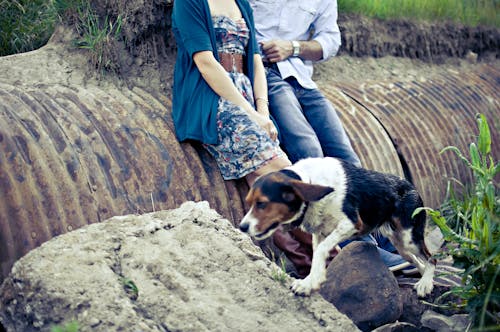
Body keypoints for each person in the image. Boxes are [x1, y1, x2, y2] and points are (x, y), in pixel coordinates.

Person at [248, 0, 416, 277]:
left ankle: (377, 233)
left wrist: (294, 47)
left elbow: (330, 41)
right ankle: (360, 249)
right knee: (308, 147)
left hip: (302, 78)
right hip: (265, 76)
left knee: (346, 157)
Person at [171, 0, 291, 191]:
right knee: (283, 170)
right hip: (212, 97)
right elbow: (205, 63)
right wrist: (252, 115)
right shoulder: (188, 2)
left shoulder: (242, 3)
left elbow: (255, 61)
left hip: (246, 95)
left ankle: (266, 221)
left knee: (262, 186)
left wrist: (263, 111)